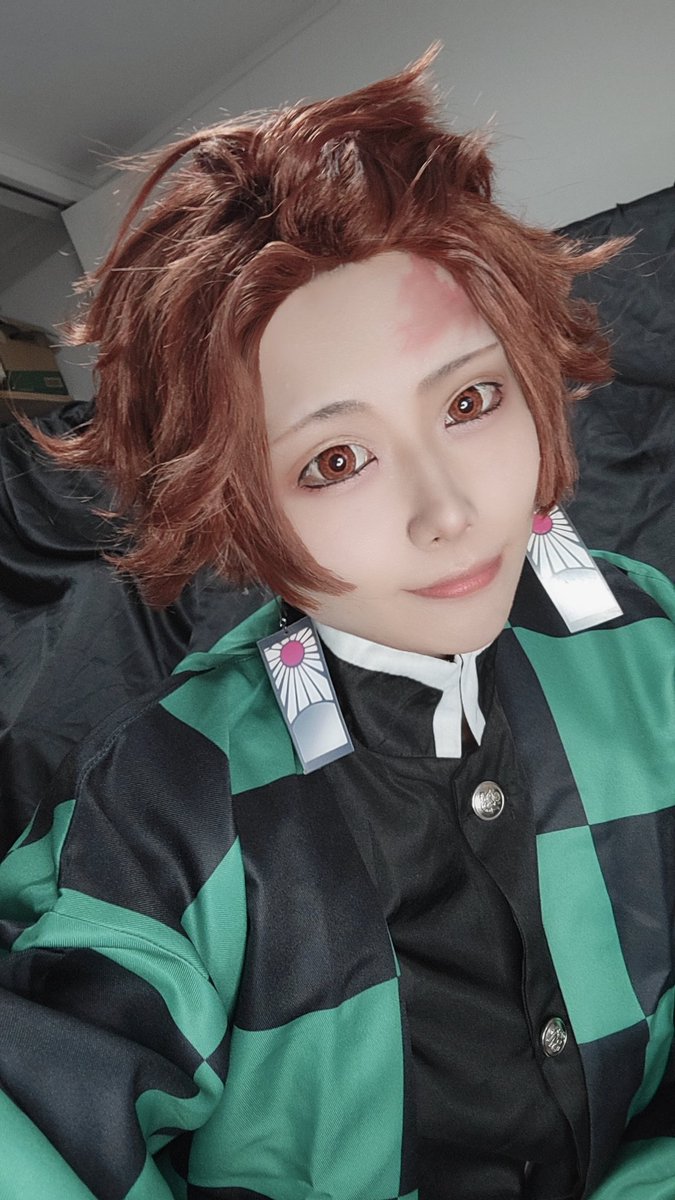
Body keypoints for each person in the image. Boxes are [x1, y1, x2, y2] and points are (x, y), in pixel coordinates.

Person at [0, 49, 674, 1200]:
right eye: (335, 459)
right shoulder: (166, 802)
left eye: (470, 399)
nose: (449, 511)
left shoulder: (642, 637)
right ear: (234, 505)